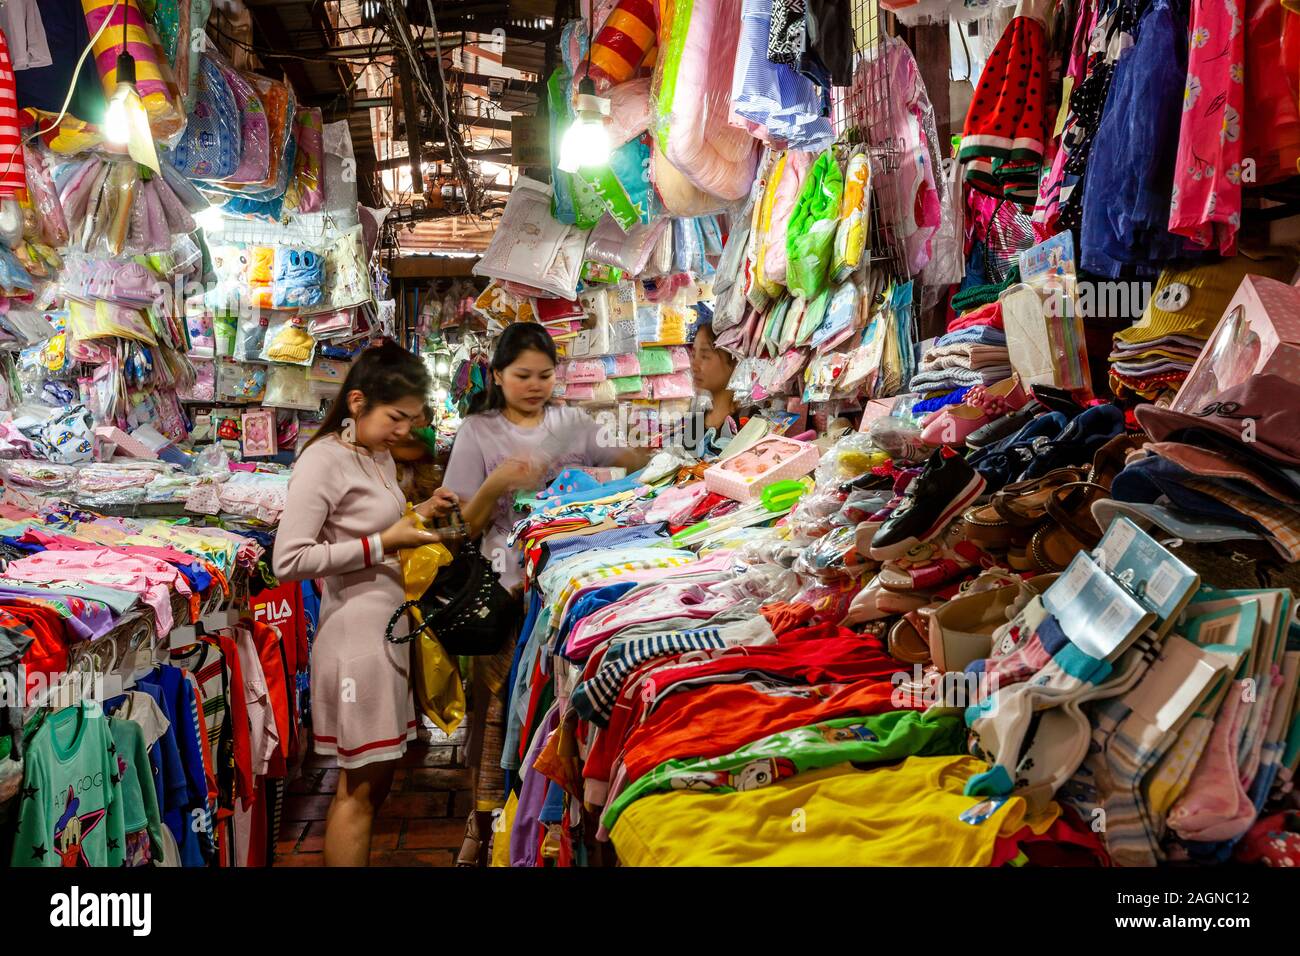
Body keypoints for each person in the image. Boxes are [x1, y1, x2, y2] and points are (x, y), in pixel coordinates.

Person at [442, 322, 650, 866]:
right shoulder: (478, 432)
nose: (535, 385)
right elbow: (463, 526)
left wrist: (607, 464)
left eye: (544, 375)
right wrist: (498, 482)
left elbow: (630, 463)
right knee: (494, 713)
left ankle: (519, 822)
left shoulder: (570, 421)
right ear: (498, 375)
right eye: (522, 376)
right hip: (503, 587)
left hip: (560, 585)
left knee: (533, 709)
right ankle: (482, 821)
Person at [273, 341, 458, 867]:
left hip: (384, 633)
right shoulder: (323, 460)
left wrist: (421, 511)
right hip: (355, 641)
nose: (405, 431)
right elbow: (289, 560)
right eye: (396, 417)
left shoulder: (373, 454)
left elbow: (373, 526)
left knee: (371, 790)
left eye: (414, 419)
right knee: (356, 794)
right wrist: (386, 543)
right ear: (357, 402)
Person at [687, 320, 746, 456]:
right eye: (694, 354)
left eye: (705, 356)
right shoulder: (696, 422)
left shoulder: (751, 421)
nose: (694, 365)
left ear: (733, 359)